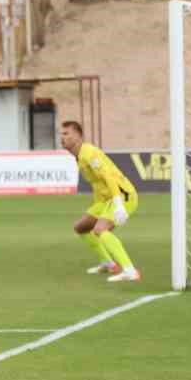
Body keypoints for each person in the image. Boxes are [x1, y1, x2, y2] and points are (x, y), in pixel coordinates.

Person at [62, 120, 141, 282]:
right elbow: (98, 183)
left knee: (100, 230)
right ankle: (108, 264)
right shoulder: (79, 156)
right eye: (61, 134)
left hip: (122, 195)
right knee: (81, 228)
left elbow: (108, 177)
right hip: (105, 200)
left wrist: (118, 205)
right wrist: (97, 206)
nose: (62, 138)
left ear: (78, 136)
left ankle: (130, 270)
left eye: (66, 134)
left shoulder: (89, 153)